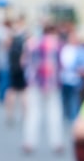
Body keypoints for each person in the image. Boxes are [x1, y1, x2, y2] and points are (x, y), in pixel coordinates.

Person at [21, 24, 63, 154]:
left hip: (35, 84)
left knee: (33, 114)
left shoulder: (32, 44)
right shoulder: (58, 45)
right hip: (53, 84)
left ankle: (29, 142)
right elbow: (61, 65)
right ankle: (56, 143)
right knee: (54, 114)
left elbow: (25, 64)